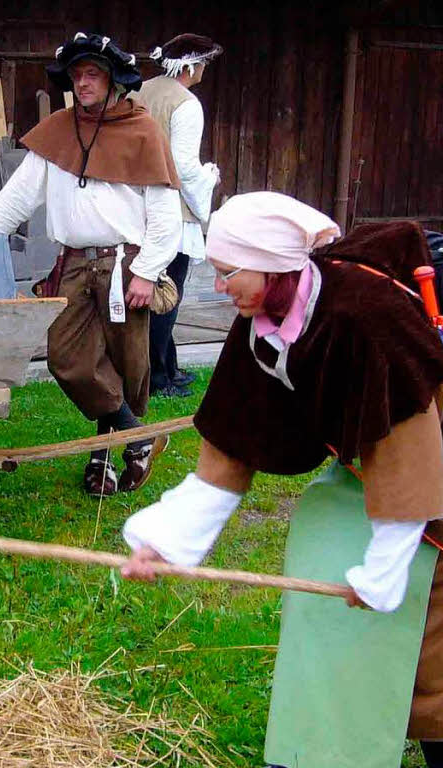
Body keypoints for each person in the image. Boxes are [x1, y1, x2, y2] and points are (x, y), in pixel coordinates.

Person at [120, 192, 443, 767]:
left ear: (273, 265)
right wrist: (169, 542)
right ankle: (319, 751)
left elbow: (407, 446)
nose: (219, 289)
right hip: (377, 473)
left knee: (431, 643)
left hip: (432, 474)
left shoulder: (367, 316)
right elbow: (232, 441)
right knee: (328, 558)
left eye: (227, 274)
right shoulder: (261, 322)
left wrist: (386, 566)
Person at [0, 32, 181, 497]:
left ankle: (103, 456)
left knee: (124, 364)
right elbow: (15, 199)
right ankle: (140, 437)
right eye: (77, 75)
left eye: (92, 74)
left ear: (114, 81)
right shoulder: (59, 132)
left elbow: (165, 213)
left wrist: (148, 270)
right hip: (70, 265)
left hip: (123, 265)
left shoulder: (144, 131)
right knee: (68, 358)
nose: (82, 83)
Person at [135, 34, 223, 397]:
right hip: (171, 208)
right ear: (188, 66)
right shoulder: (186, 104)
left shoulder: (137, 91)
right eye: (202, 63)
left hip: (136, 203)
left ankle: (168, 367)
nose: (204, 69)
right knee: (167, 293)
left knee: (152, 289)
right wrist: (210, 179)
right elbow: (184, 168)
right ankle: (156, 379)